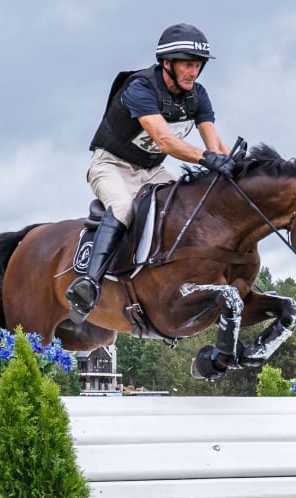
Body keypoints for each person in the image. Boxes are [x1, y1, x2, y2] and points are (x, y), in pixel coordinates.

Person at [65, 23, 233, 324]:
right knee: (123, 207)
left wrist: (231, 165)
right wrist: (208, 158)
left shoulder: (198, 95)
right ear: (167, 64)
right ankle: (89, 283)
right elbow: (164, 140)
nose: (193, 73)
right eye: (187, 65)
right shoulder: (140, 87)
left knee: (188, 206)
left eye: (197, 66)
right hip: (110, 164)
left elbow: (214, 142)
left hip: (151, 169)